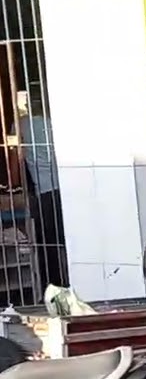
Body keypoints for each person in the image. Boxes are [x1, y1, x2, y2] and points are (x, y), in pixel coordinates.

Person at [11, 88, 68, 289]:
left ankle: (53, 286)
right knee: (67, 239)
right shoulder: (56, 122)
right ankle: (70, 282)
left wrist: (15, 186)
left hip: (43, 192)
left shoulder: (20, 126)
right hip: (67, 188)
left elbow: (16, 161)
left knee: (47, 244)